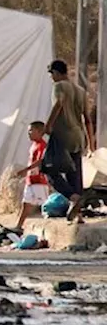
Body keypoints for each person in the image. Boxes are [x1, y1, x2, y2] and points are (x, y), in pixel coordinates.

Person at [47, 60, 95, 222]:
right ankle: (79, 215)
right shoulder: (81, 91)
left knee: (50, 170)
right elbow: (87, 119)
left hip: (62, 136)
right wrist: (91, 143)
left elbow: (59, 104)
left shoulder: (59, 86)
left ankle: (73, 197)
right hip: (78, 136)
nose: (52, 77)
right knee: (75, 176)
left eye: (52, 74)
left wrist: (48, 125)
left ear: (57, 73)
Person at [15, 121, 51, 232]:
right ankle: (19, 226)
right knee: (26, 203)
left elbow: (40, 161)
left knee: (45, 205)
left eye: (31, 130)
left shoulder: (42, 145)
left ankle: (48, 228)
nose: (29, 133)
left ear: (40, 132)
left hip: (39, 180)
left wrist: (25, 170)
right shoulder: (33, 145)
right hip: (31, 180)